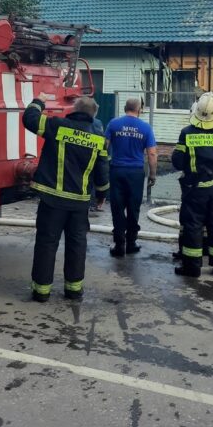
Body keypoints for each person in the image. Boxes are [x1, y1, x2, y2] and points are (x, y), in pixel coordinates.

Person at [22, 95, 109, 303]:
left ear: (74, 109)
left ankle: (41, 292)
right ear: (93, 114)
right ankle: (73, 290)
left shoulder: (57, 126)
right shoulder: (99, 137)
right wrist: (102, 195)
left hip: (52, 200)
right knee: (77, 244)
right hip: (79, 203)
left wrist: (39, 101)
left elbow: (30, 118)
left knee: (46, 243)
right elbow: (102, 170)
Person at [172, 92, 213, 278]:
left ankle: (192, 269)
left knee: (193, 226)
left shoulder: (187, 133)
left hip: (195, 189)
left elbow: (177, 161)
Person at [104, 97, 157, 257]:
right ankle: (131, 243)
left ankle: (119, 245)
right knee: (133, 208)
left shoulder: (113, 124)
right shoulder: (145, 128)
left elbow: (104, 146)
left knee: (117, 208)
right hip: (135, 173)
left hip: (117, 170)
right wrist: (152, 174)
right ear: (139, 110)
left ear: (125, 108)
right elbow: (152, 154)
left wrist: (104, 164)